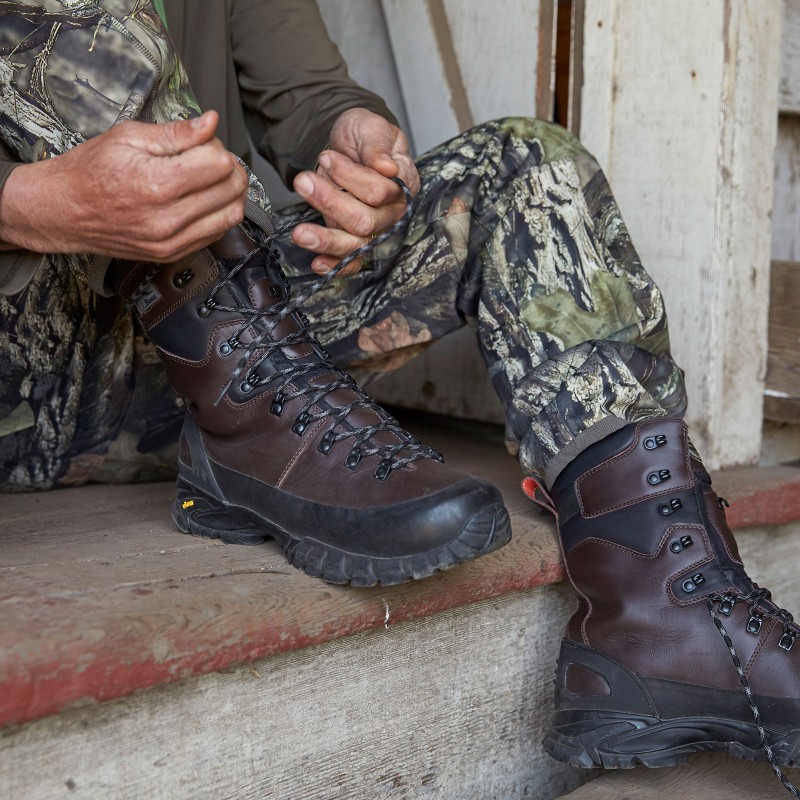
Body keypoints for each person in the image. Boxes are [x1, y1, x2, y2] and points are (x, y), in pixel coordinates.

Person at [1, 0, 798, 789]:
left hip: (233, 357)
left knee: (528, 166)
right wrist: (29, 205)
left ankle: (669, 617)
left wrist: (358, 148)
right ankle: (248, 431)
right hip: (26, 379)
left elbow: (310, 96)